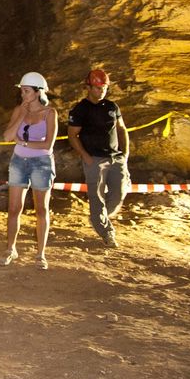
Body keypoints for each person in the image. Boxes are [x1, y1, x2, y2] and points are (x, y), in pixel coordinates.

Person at [68, 69, 131, 249]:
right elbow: (72, 135)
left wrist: (125, 154)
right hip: (94, 159)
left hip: (115, 157)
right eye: (97, 88)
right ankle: (106, 232)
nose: (101, 91)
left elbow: (121, 129)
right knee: (96, 198)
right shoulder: (80, 109)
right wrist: (86, 157)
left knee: (119, 192)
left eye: (103, 87)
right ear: (88, 87)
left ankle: (98, 217)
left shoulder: (112, 107)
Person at [2, 72, 59, 269]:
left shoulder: (50, 113)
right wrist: (21, 116)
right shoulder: (19, 110)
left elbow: (48, 145)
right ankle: (11, 249)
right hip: (18, 161)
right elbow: (8, 136)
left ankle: (40, 254)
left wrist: (24, 142)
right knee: (14, 208)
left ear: (37, 92)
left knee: (41, 209)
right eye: (22, 91)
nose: (23, 95)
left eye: (26, 91)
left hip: (41, 164)